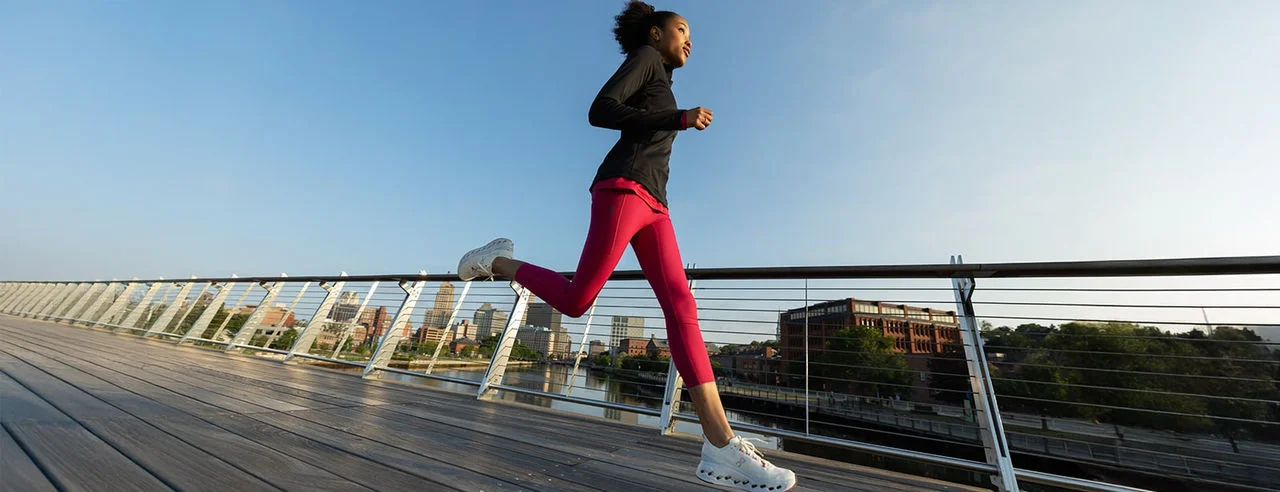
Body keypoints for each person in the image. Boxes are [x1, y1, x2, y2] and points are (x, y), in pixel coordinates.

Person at [456, 2, 797, 490]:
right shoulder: (646, 58)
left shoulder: (662, 76)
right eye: (681, 30)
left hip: (656, 203)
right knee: (577, 301)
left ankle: (720, 446)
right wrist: (678, 118)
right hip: (624, 188)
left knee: (682, 307)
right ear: (655, 33)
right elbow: (601, 109)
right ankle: (497, 259)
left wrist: (670, 116)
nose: (690, 41)